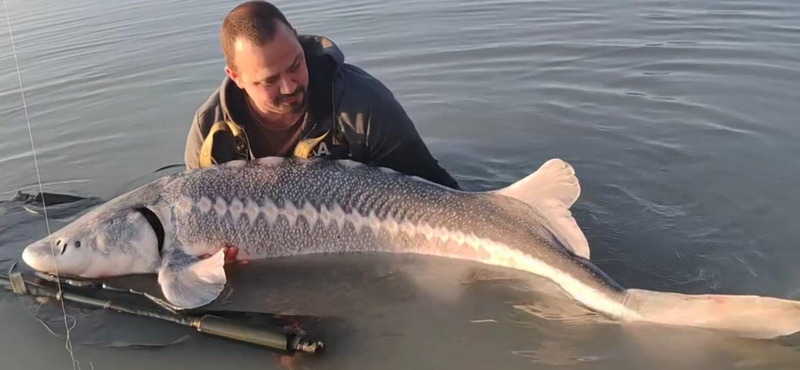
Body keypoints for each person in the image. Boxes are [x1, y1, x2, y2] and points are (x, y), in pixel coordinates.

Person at [184, 0, 459, 189]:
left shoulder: (363, 105)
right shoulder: (210, 131)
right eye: (269, 81)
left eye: (295, 65)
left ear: (296, 38)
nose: (289, 87)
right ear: (237, 77)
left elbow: (434, 185)